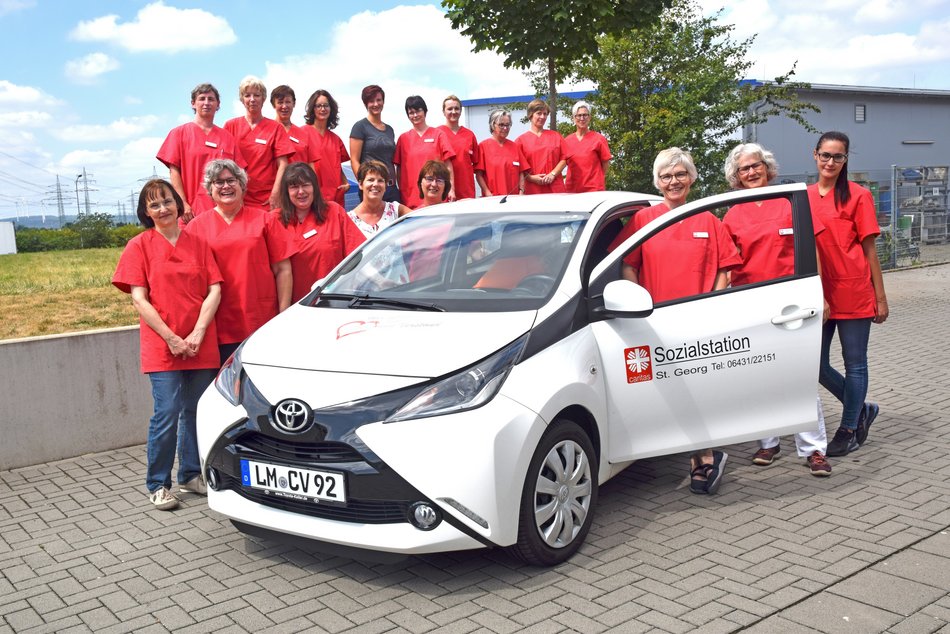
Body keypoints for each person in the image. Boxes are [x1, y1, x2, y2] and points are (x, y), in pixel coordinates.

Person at [609, 148, 742, 494]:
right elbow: (628, 265)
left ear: (691, 178)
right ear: (657, 181)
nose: (674, 181)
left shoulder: (708, 219)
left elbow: (725, 268)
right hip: (655, 319)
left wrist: (711, 303)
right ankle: (689, 452)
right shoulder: (643, 220)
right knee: (669, 389)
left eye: (680, 174)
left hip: (698, 319)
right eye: (666, 176)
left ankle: (705, 456)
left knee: (699, 389)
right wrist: (640, 303)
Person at [722, 143, 832, 476]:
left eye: (756, 166)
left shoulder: (789, 204)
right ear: (736, 177)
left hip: (792, 304)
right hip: (750, 303)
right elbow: (727, 265)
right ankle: (767, 443)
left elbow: (812, 250)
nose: (752, 172)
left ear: (768, 169)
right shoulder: (732, 212)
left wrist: (821, 295)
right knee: (757, 377)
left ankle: (813, 449)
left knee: (799, 377)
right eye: (744, 169)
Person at [112, 179, 222, 510]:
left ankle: (190, 474)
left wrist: (198, 333)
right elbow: (139, 299)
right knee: (167, 413)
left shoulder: (199, 243)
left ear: (178, 203)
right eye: (154, 205)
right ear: (146, 213)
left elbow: (214, 289)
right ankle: (158, 483)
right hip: (163, 345)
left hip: (200, 341)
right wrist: (172, 338)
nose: (163, 208)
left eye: (167, 201)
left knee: (194, 411)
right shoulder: (139, 246)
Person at [808, 131, 888, 457]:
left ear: (845, 160)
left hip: (854, 289)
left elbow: (870, 250)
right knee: (815, 364)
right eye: (825, 155)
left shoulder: (858, 196)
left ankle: (849, 428)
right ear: (815, 155)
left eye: (837, 156)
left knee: (855, 364)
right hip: (820, 294)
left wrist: (880, 297)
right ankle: (861, 409)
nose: (830, 162)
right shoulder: (805, 197)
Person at [185, 159, 295, 363]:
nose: (226, 186)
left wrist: (283, 313)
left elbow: (283, 269)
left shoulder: (265, 220)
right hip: (217, 322)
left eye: (231, 180)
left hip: (260, 319)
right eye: (218, 182)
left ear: (242, 185)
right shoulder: (196, 227)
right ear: (210, 189)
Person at [276, 162, 365, 302]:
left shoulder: (334, 211)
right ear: (286, 191)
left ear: (314, 187)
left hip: (334, 300)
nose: (301, 191)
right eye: (294, 187)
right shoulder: (275, 220)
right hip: (294, 306)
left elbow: (358, 255)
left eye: (305, 185)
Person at [156, 83, 245, 223]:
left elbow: (239, 175)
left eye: (211, 99)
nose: (206, 103)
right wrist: (182, 203)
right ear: (193, 103)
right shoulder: (179, 134)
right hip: (191, 211)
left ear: (218, 104)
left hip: (224, 211)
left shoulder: (227, 138)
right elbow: (174, 171)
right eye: (202, 98)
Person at [224, 76, 294, 209]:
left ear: (263, 99)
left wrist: (276, 192)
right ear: (242, 99)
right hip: (239, 197)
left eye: (256, 95)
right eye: (247, 95)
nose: (252, 99)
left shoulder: (276, 128)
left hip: (267, 199)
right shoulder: (230, 126)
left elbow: (283, 163)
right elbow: (225, 164)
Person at [393, 95, 456, 210]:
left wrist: (451, 189)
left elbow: (448, 165)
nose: (415, 115)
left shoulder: (439, 135)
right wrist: (402, 191)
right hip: (411, 197)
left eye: (418, 111)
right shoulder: (403, 138)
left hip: (436, 194)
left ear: (425, 111)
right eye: (411, 112)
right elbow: (399, 170)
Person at [349, 85, 400, 202]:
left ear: (383, 101)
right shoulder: (360, 127)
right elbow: (354, 160)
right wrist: (364, 185)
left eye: (379, 100)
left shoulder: (389, 130)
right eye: (371, 101)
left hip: (391, 188)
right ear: (365, 104)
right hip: (372, 190)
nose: (376, 104)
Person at [304, 89, 350, 207]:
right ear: (312, 109)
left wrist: (346, 183)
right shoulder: (302, 133)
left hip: (336, 197)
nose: (323, 109)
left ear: (331, 109)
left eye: (326, 106)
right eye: (318, 106)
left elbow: (338, 167)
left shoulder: (336, 139)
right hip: (312, 197)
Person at [347, 160, 412, 238]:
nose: (375, 184)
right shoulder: (350, 219)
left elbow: (420, 220)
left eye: (380, 181)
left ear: (385, 186)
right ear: (360, 184)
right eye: (371, 180)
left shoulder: (396, 210)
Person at [475, 109, 531, 197]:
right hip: (492, 198)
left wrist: (521, 190)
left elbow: (521, 172)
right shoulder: (483, 146)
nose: (505, 128)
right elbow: (479, 175)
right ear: (493, 125)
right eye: (501, 125)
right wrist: (486, 192)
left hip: (514, 198)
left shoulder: (515, 147)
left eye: (507, 125)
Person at [516, 99, 567, 194]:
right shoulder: (520, 141)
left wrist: (553, 174)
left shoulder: (556, 136)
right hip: (533, 190)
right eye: (539, 113)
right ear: (530, 115)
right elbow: (519, 168)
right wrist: (531, 178)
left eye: (545, 114)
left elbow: (564, 158)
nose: (542, 117)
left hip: (555, 189)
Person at [563, 101, 612, 193]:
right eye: (579, 115)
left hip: (594, 190)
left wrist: (597, 179)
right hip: (572, 190)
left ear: (589, 117)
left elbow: (605, 163)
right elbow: (561, 163)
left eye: (585, 115)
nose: (582, 118)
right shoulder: (567, 141)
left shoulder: (599, 139)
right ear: (574, 118)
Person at [438, 95, 479, 200]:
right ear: (443, 112)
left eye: (457, 108)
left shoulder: (469, 135)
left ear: (461, 111)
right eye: (449, 109)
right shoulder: (437, 133)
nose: (453, 111)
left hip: (466, 190)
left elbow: (476, 165)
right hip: (443, 190)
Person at [271, 85, 319, 168]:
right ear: (273, 105)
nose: (284, 106)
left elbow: (311, 167)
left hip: (300, 180)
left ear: (294, 104)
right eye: (280, 102)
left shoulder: (304, 135)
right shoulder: (267, 130)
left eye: (288, 102)